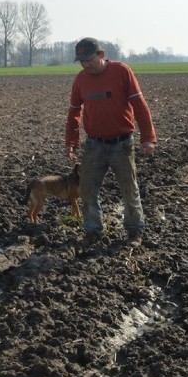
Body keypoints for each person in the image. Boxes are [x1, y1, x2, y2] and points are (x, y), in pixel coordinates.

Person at [65, 37, 157, 246]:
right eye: (81, 61)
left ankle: (134, 231)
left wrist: (148, 138)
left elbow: (140, 106)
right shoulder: (81, 79)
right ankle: (93, 231)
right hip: (94, 145)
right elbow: (74, 112)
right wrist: (71, 140)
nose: (85, 64)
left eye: (89, 59)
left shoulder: (122, 72)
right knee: (87, 189)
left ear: (101, 55)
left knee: (129, 189)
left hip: (121, 144)